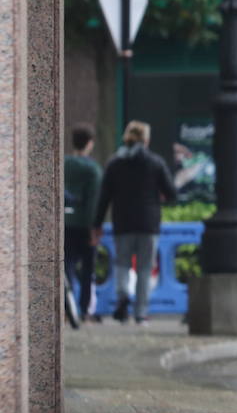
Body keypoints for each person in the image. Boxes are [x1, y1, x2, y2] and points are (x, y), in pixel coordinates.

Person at [94, 121, 176, 324]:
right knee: (144, 268)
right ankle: (140, 313)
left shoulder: (114, 163)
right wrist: (160, 195)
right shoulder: (155, 162)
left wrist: (96, 224)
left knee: (121, 263)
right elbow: (171, 193)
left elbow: (104, 197)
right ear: (146, 139)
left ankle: (122, 297)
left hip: (122, 222)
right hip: (148, 223)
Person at [63, 123, 102, 323]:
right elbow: (94, 202)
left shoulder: (63, 163)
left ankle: (66, 307)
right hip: (85, 224)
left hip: (65, 223)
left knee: (66, 265)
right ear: (89, 144)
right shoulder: (92, 169)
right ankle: (85, 309)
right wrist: (93, 228)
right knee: (88, 269)